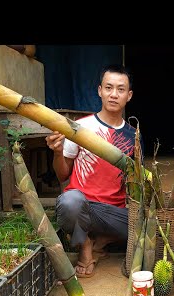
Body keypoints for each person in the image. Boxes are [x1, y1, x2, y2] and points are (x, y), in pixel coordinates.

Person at [46, 64, 141, 278]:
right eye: (108, 88)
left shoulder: (133, 136)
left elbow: (134, 185)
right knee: (70, 201)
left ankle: (101, 240)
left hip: (112, 213)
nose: (114, 94)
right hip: (83, 206)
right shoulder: (80, 128)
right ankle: (86, 245)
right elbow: (62, 175)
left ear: (129, 95)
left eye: (120, 89)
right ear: (100, 91)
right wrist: (58, 152)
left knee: (147, 225)